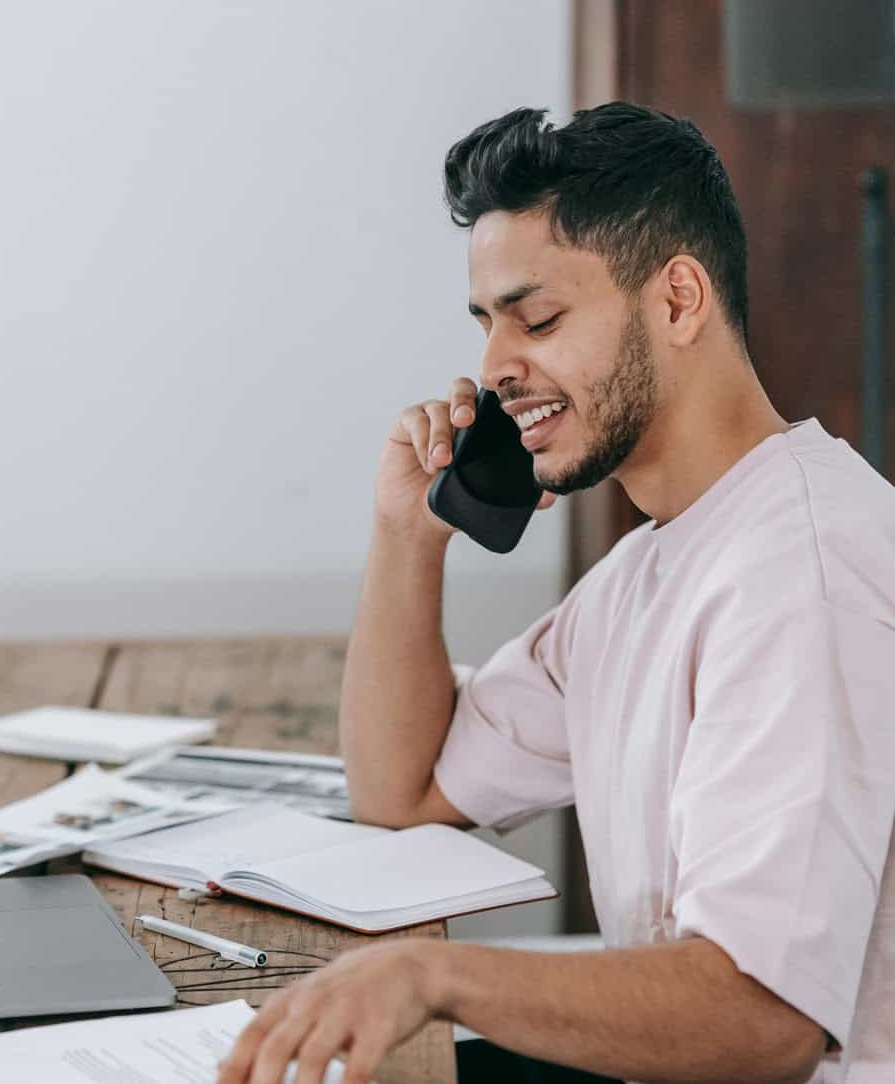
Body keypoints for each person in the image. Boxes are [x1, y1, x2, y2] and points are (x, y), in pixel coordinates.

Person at [216, 102, 895, 1084]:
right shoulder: (644, 573)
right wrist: (407, 537)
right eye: (487, 325)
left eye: (536, 319)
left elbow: (762, 1015)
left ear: (674, 301)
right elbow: (401, 793)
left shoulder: (805, 576)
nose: (493, 369)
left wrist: (430, 973)